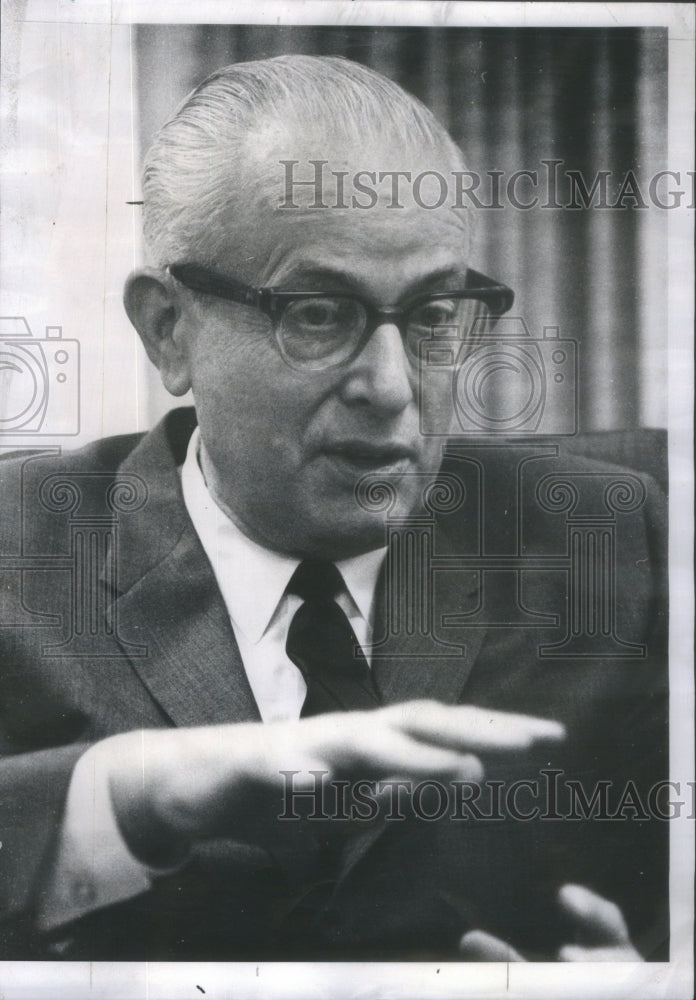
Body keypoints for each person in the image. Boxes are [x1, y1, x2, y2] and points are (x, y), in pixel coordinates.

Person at [0, 55, 667, 961]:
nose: (390, 388)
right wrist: (131, 796)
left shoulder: (613, 540)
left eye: (434, 315)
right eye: (317, 314)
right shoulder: (19, 552)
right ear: (168, 329)